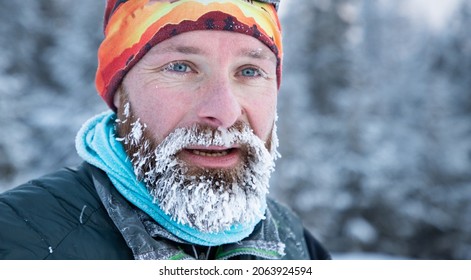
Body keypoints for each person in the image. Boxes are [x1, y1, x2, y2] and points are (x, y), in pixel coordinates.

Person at [0, 0, 330, 260]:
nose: (224, 112)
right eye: (180, 67)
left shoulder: (294, 243)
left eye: (249, 71)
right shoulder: (19, 241)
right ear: (120, 91)